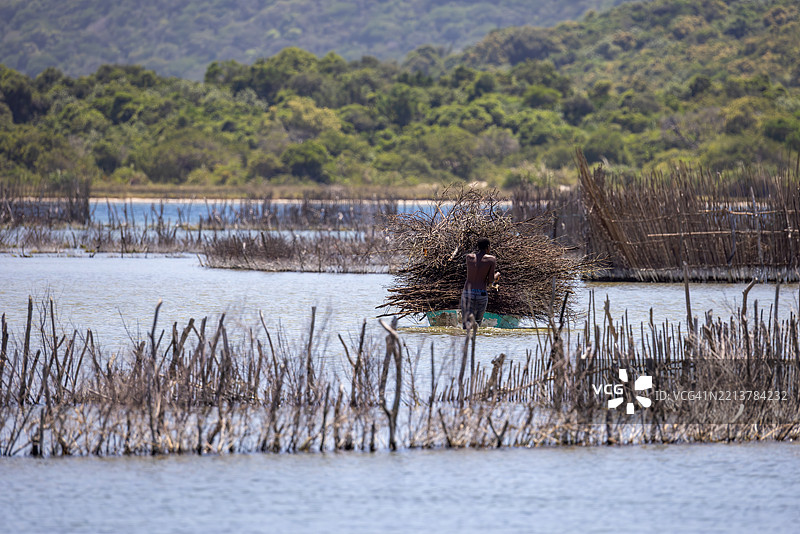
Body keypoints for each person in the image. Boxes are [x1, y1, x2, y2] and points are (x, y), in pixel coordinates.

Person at [461, 237, 500, 328]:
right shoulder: (491, 259)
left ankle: (466, 341)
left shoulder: (469, 257)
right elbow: (490, 280)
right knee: (477, 324)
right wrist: (497, 274)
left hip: (467, 293)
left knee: (466, 325)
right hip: (481, 294)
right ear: (487, 247)